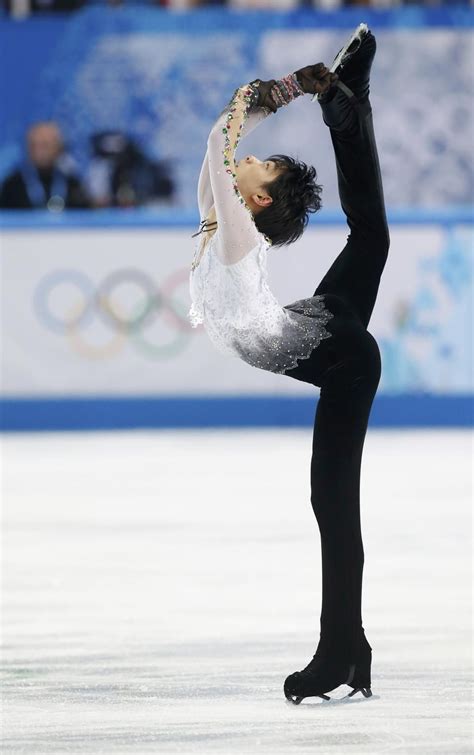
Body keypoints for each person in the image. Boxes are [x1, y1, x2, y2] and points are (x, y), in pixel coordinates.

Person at [188, 24, 389, 703]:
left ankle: (341, 647)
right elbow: (221, 140)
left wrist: (286, 89)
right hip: (313, 324)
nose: (250, 160)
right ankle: (351, 104)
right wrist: (304, 92)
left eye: (261, 164)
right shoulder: (222, 217)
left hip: (344, 361)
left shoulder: (238, 231)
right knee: (371, 234)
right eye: (261, 159)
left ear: (259, 200)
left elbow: (221, 140)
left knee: (331, 501)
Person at [0, 122, 89, 211]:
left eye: (45, 145)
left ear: (59, 148)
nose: (39, 152)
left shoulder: (73, 186)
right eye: (34, 145)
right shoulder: (12, 186)